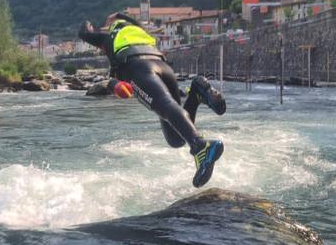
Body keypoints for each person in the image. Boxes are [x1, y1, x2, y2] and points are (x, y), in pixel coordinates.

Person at [79, 12, 226, 188]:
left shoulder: (110, 35)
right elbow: (132, 22)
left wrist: (88, 25)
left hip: (138, 68)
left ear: (113, 26)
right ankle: (195, 94)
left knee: (165, 106)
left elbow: (83, 34)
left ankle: (200, 146)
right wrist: (120, 15)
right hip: (163, 67)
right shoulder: (140, 32)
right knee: (176, 138)